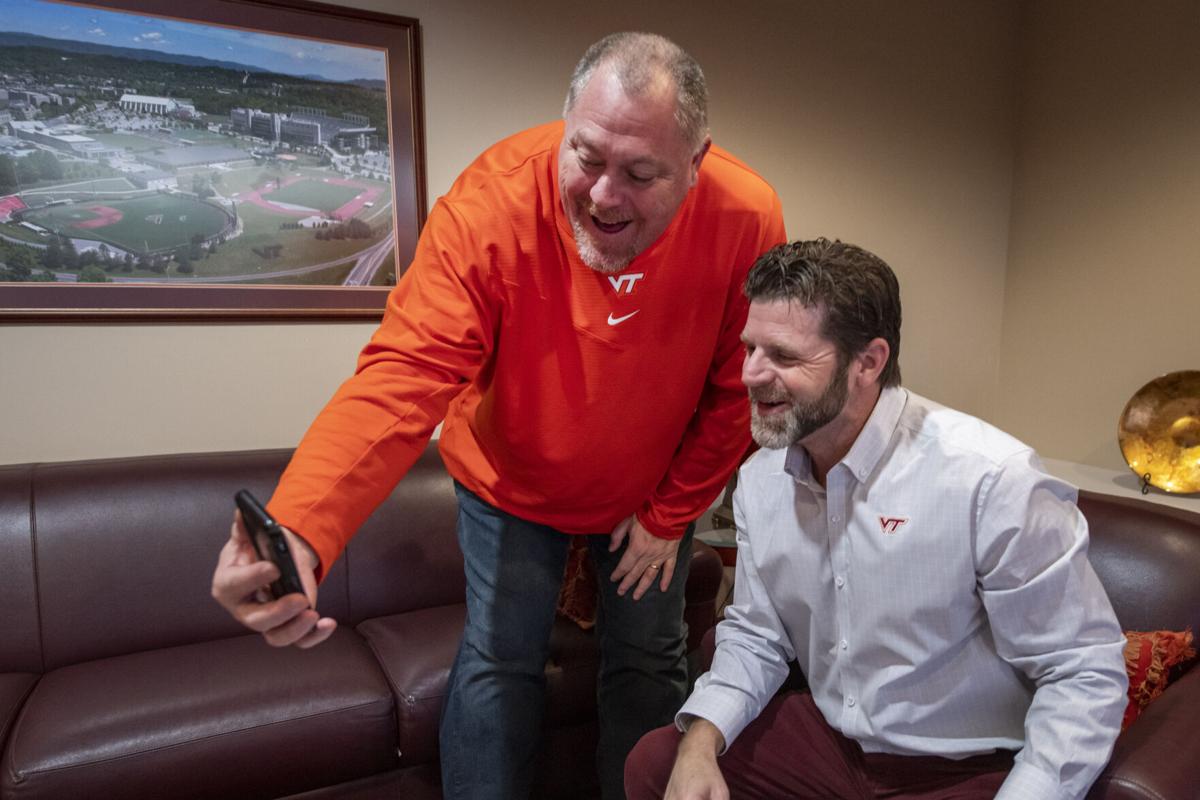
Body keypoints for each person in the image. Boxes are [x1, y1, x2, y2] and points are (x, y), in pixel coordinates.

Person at [210, 32, 786, 800]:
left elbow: (738, 389)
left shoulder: (747, 216)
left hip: (649, 497)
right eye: (586, 157)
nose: (605, 195)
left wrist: (672, 513)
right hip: (506, 481)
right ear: (566, 126)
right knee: (499, 655)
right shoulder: (492, 200)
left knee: (649, 659)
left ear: (696, 162)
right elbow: (406, 373)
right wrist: (301, 530)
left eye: (642, 174)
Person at [624, 239, 1128, 800]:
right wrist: (700, 740)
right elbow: (758, 634)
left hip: (965, 768)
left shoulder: (991, 479)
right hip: (831, 744)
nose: (749, 374)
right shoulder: (764, 478)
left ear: (868, 362)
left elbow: (1082, 672)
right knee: (658, 764)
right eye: (749, 349)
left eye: (784, 357)